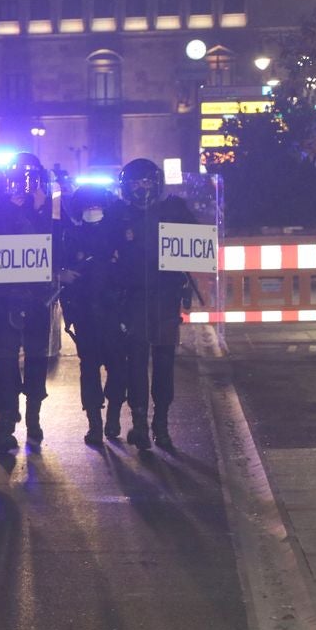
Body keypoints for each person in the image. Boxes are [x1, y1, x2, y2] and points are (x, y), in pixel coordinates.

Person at [0, 152, 54, 456]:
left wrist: (37, 210)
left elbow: (31, 247)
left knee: (5, 367)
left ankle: (5, 429)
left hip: (5, 303)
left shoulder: (9, 211)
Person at [113, 158, 196, 450]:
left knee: (163, 363)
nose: (141, 189)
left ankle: (161, 424)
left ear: (156, 183)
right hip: (133, 299)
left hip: (164, 296)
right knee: (136, 363)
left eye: (146, 182)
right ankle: (140, 424)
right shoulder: (119, 216)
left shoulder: (173, 211)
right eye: (135, 183)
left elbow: (197, 243)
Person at [58, 184, 126, 445]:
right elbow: (61, 269)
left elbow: (128, 270)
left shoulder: (116, 235)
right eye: (88, 208)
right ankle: (94, 423)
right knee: (89, 370)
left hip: (113, 312)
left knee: (118, 368)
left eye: (96, 207)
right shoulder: (72, 237)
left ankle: (114, 416)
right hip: (85, 314)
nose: (93, 212)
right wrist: (64, 276)